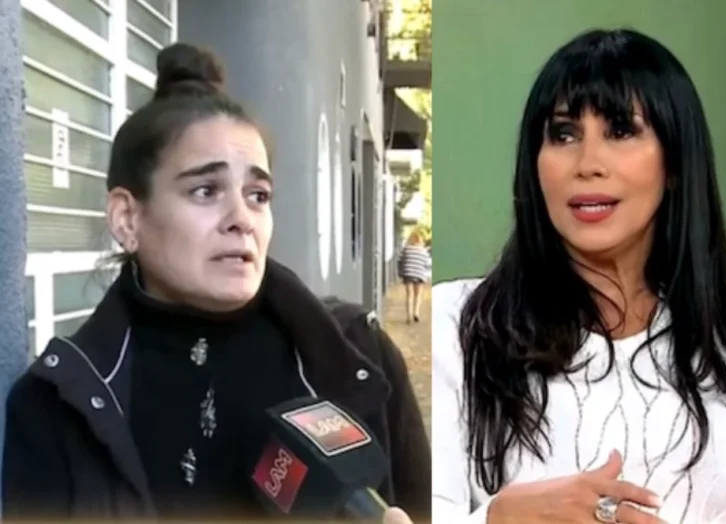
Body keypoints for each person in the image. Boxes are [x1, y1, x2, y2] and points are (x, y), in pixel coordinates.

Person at [3, 43, 430, 523]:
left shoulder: (360, 358)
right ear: (127, 218)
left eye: (258, 195)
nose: (242, 219)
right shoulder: (56, 406)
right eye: (205, 191)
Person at [431, 28, 726, 524]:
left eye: (621, 131)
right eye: (563, 134)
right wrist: (499, 518)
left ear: (675, 162)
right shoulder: (457, 325)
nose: (588, 164)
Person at [397, 230, 432, 323]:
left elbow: (400, 261)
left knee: (409, 295)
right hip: (419, 274)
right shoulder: (423, 250)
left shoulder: (406, 249)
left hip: (408, 274)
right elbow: (426, 264)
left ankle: (409, 316)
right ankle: (416, 313)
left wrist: (401, 272)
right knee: (418, 295)